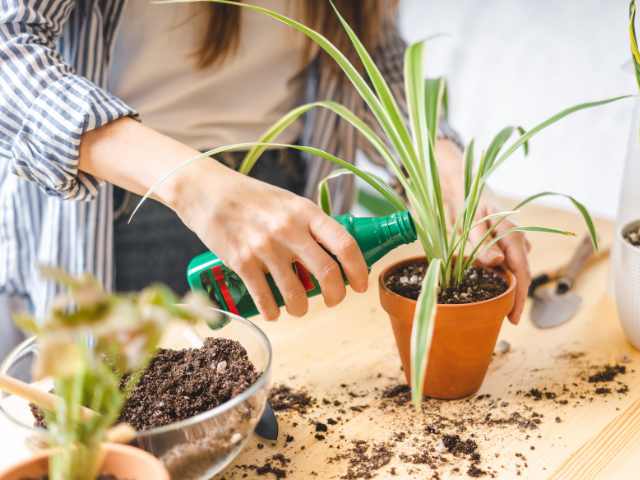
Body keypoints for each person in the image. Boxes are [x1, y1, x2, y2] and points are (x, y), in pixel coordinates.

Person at [0, 1, 531, 340]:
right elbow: (10, 49)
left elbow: (373, 48)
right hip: (122, 210)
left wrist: (437, 160)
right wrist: (193, 184)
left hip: (287, 204)